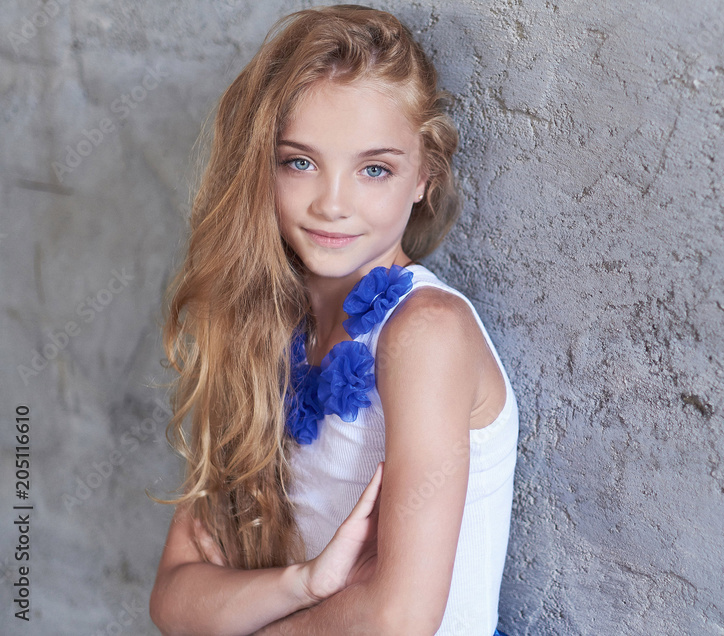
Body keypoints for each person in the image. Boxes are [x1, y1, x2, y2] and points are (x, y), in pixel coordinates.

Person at [147, 5, 518, 635]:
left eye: (374, 169)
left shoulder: (425, 332)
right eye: (300, 162)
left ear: (425, 174)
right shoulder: (264, 331)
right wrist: (305, 582)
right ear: (261, 167)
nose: (333, 203)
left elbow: (397, 619)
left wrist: (249, 613)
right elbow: (175, 603)